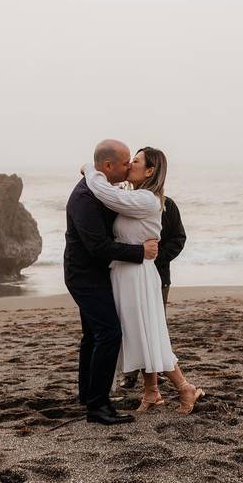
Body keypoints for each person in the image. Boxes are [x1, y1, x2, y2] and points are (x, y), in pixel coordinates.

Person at [82, 146, 204, 414]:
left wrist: (92, 171)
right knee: (138, 335)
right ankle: (151, 393)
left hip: (138, 275)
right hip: (125, 273)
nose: (129, 165)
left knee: (148, 334)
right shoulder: (133, 196)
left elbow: (104, 193)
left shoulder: (148, 200)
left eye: (134, 161)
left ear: (150, 170)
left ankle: (185, 388)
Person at [64, 139, 160, 426]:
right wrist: (139, 252)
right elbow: (98, 247)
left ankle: (89, 395)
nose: (129, 165)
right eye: (125, 161)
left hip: (95, 272)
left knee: (93, 335)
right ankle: (98, 406)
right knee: (109, 334)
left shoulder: (103, 190)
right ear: (108, 166)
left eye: (133, 161)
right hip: (84, 275)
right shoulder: (84, 198)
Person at [119, 192, 186, 390]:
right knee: (130, 326)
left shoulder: (167, 205)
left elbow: (178, 238)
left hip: (158, 276)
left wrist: (154, 260)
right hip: (130, 275)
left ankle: (156, 373)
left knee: (154, 327)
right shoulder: (127, 203)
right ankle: (130, 373)